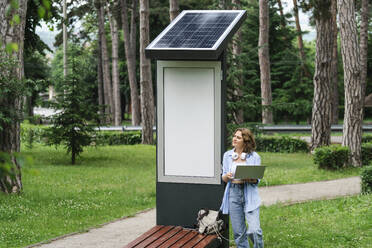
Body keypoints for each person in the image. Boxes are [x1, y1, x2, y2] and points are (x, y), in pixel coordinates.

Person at [220, 128, 264, 248]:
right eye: (234, 136)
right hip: (233, 193)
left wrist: (248, 177)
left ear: (245, 141)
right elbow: (223, 178)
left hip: (249, 192)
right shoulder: (227, 155)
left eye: (238, 137)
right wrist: (227, 176)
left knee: (254, 231)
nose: (234, 139)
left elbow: (257, 179)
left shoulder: (255, 157)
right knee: (239, 233)